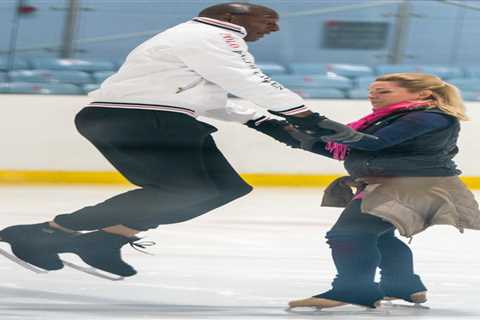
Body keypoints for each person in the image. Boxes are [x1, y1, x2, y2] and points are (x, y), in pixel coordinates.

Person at [0, 2, 365, 277]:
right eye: (266, 20)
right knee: (183, 190)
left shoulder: (198, 41)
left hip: (159, 119)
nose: (272, 28)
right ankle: (42, 233)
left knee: (225, 188)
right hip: (137, 119)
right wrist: (307, 117)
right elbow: (248, 80)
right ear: (234, 18)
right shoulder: (214, 35)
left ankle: (106, 239)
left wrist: (263, 121)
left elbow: (211, 98)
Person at [261, 73, 480, 309]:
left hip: (412, 186)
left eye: (384, 92)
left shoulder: (431, 118)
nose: (374, 97)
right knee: (380, 237)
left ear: (423, 94)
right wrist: (271, 127)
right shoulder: (388, 119)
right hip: (398, 184)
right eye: (371, 93)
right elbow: (347, 148)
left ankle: (353, 289)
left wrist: (314, 122)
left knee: (349, 235)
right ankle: (403, 285)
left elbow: (371, 142)